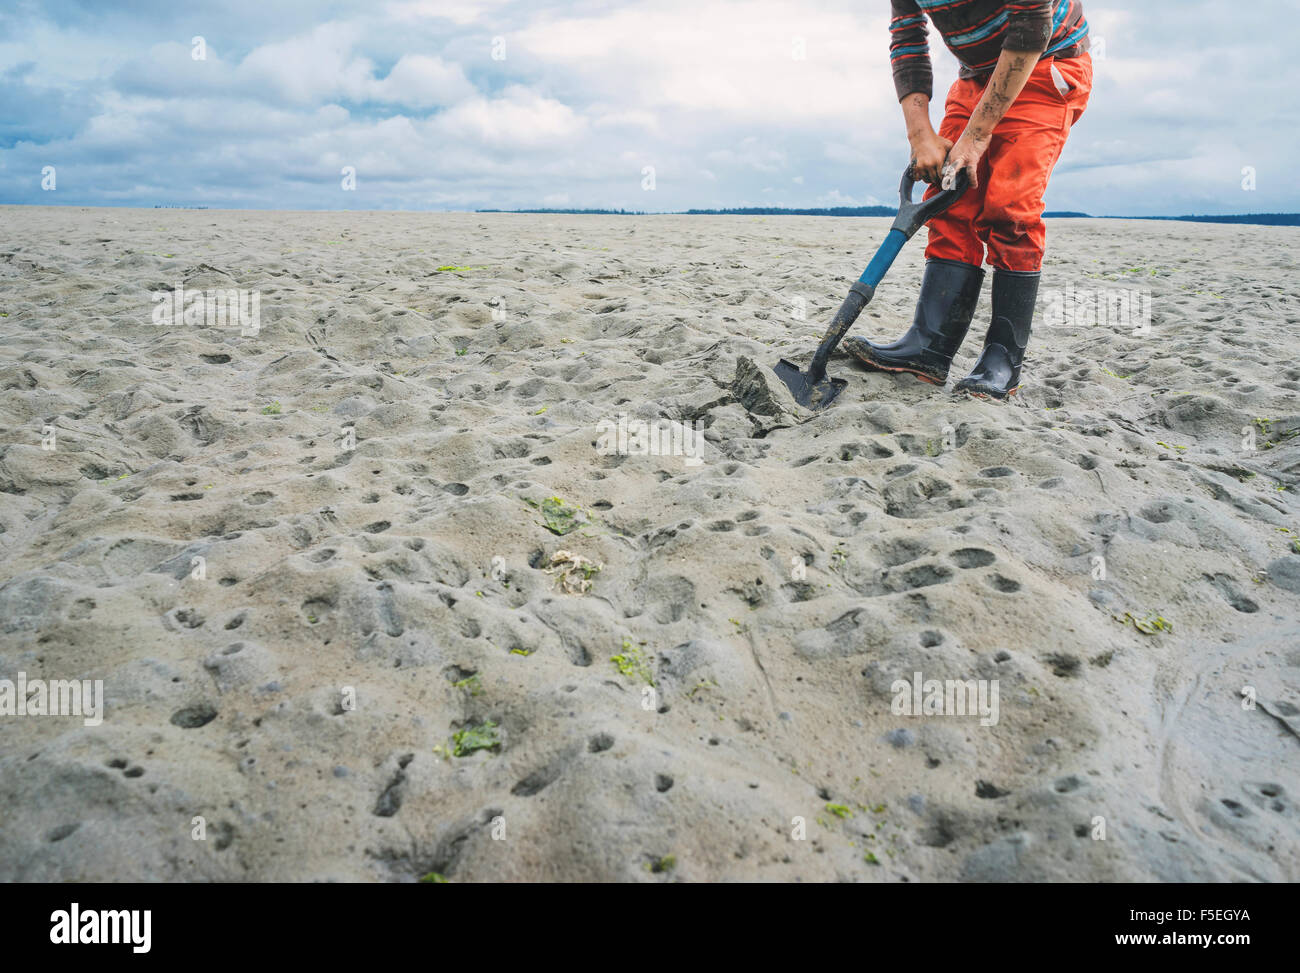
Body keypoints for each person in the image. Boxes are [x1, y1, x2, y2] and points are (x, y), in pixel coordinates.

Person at [844, 1, 1092, 399]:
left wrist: (976, 137)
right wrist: (919, 134)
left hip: (1046, 65)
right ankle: (929, 347)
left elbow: (1031, 26)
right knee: (947, 201)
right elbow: (907, 36)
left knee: (1011, 208)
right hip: (976, 76)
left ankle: (1002, 361)